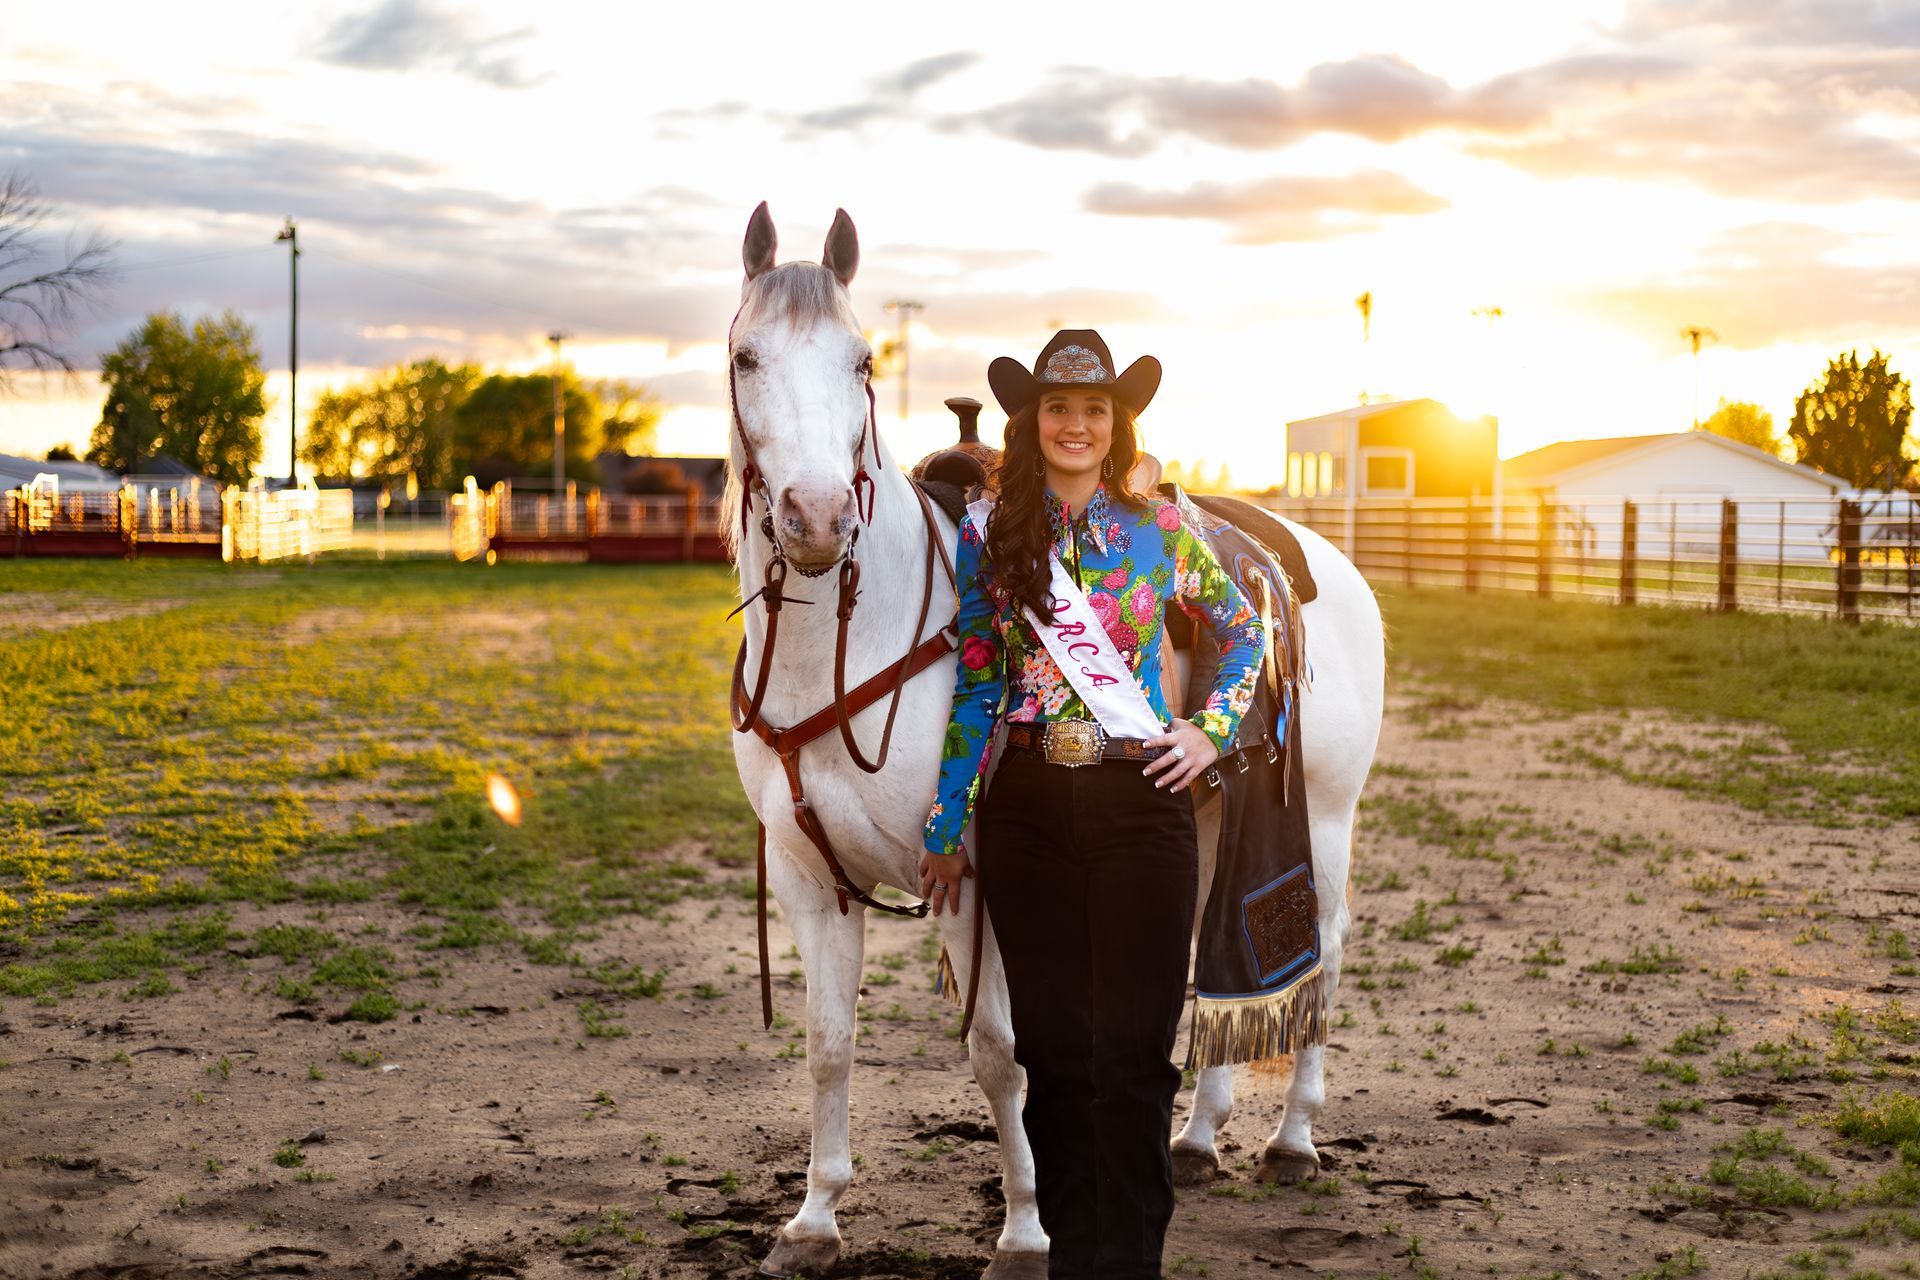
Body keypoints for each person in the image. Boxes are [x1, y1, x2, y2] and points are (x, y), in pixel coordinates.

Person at [919, 330, 1267, 1279]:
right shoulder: (989, 532)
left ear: (1118, 426)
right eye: (1058, 409)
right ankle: (1075, 1260)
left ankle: (1132, 1264)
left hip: (1140, 802)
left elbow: (1245, 632)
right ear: (1031, 423)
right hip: (1027, 808)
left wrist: (1211, 730)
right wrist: (947, 826)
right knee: (1056, 1053)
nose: (1075, 425)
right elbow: (978, 682)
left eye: (1094, 410)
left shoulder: (1162, 528)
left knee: (1137, 1054)